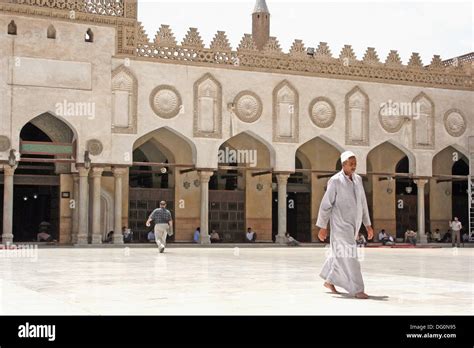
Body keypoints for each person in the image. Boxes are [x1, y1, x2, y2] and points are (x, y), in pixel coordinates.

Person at [316, 151, 373, 299]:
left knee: (340, 253)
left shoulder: (358, 179)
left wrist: (367, 224)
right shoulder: (335, 181)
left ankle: (329, 280)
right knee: (350, 255)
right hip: (340, 225)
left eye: (355, 163)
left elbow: (363, 203)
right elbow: (326, 204)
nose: (354, 166)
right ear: (343, 164)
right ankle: (357, 289)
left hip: (354, 225)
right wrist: (323, 226)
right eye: (351, 163)